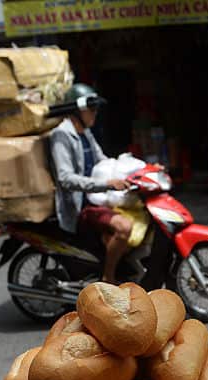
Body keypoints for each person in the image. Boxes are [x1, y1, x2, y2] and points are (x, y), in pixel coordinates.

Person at [48, 83, 133, 284]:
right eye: (91, 110)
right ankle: (108, 277)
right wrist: (107, 184)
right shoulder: (61, 135)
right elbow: (65, 178)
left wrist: (133, 171)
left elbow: (103, 161)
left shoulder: (85, 133)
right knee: (124, 227)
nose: (95, 114)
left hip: (96, 198)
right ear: (77, 111)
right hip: (81, 205)